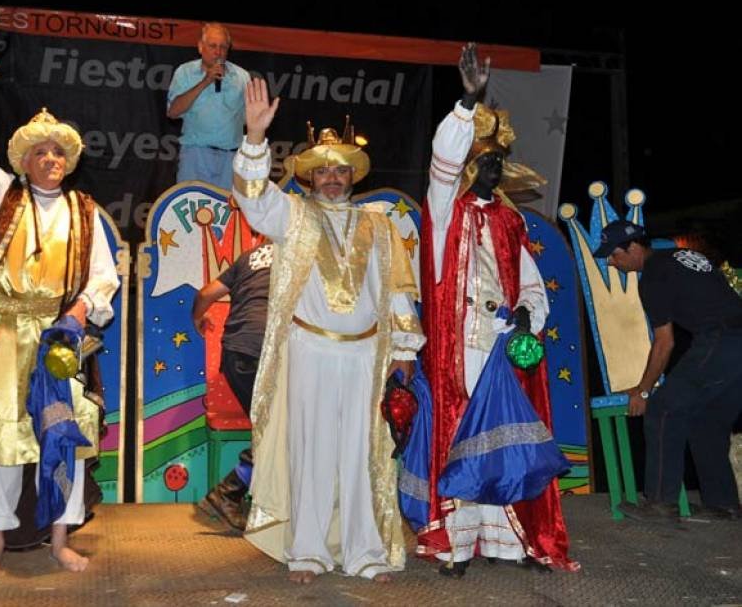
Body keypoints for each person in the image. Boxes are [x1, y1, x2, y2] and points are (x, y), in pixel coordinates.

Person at [0, 37, 119, 578]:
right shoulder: (1, 195)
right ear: (25, 162)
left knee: (59, 435)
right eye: (41, 152)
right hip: (3, 340)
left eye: (59, 152)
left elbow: (105, 276)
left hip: (60, 342)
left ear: (68, 161)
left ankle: (60, 538)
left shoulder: (85, 212)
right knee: (1, 435)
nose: (51, 159)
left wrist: (81, 311)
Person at [233, 78, 425, 583]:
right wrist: (254, 138)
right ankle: (308, 552)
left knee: (363, 455)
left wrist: (404, 352)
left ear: (352, 176)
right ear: (310, 178)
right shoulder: (291, 216)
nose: (333, 178)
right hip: (309, 350)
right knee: (312, 452)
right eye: (323, 171)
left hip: (366, 358)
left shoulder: (381, 226)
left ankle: (365, 552)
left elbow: (400, 293)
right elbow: (253, 199)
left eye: (341, 170)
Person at [417, 43, 574, 575]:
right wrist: (467, 103)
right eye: (484, 161)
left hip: (502, 345)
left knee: (503, 439)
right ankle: (458, 546)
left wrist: (529, 314)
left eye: (497, 164)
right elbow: (440, 165)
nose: (492, 170)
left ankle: (511, 541)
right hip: (460, 345)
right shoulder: (443, 213)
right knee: (463, 433)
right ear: (468, 166)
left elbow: (532, 286)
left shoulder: (511, 224)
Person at [595, 219, 742, 521]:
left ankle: (661, 502)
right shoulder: (680, 257)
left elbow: (665, 342)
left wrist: (644, 390)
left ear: (634, 247)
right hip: (735, 342)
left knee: (662, 409)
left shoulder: (653, 277)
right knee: (707, 420)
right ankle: (723, 504)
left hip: (720, 339)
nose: (611, 262)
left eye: (614, 254)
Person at [192, 240, 272, 530]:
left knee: (276, 429)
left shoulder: (251, 257)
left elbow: (206, 293)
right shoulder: (302, 252)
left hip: (237, 350)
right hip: (265, 349)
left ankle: (235, 492)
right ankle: (229, 492)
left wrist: (197, 318)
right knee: (279, 431)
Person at [167, 22, 250, 189]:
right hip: (195, 156)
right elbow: (173, 112)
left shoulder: (242, 77)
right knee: (192, 211)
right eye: (212, 46)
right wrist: (206, 81)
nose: (218, 52)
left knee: (228, 213)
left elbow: (249, 120)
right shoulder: (184, 72)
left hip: (231, 159)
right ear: (200, 47)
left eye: (223, 47)